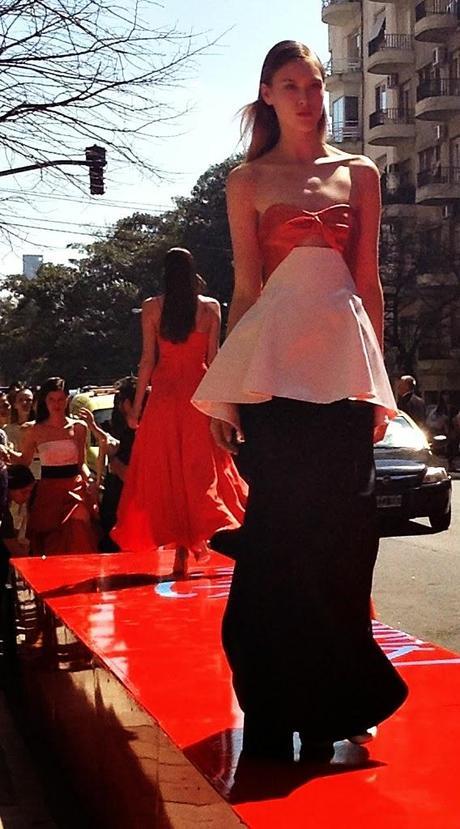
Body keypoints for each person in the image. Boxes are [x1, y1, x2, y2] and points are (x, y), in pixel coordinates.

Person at [192, 40, 408, 761]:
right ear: (269, 95)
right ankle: (274, 698)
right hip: (275, 376)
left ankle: (338, 699)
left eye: (314, 84)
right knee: (279, 538)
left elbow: (368, 281)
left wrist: (380, 379)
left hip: (344, 374)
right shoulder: (246, 181)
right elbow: (248, 290)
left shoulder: (362, 173)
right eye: (291, 86)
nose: (308, 97)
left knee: (346, 540)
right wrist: (227, 395)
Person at [111, 247, 247, 576]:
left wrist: (137, 408)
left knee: (166, 471)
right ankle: (193, 542)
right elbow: (214, 361)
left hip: (165, 399)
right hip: (199, 397)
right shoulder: (210, 307)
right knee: (199, 470)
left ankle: (180, 550)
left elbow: (147, 361)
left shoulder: (152, 308)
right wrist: (227, 408)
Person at [15, 377, 98, 555]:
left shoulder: (79, 427)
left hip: (73, 488)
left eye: (60, 399)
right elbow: (24, 460)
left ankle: (82, 577)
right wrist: (5, 453)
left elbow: (81, 463)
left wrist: (90, 480)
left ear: (67, 399)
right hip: (48, 490)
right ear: (45, 401)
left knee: (78, 529)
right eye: (52, 399)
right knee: (50, 540)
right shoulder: (34, 430)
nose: (56, 404)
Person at [79, 376, 140, 552]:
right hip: (116, 500)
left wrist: (113, 459)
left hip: (128, 503)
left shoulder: (138, 431)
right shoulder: (121, 428)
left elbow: (127, 473)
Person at [0, 465, 35, 587]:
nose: (27, 496)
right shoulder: (4, 515)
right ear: (9, 488)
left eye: (30, 492)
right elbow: (16, 551)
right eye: (23, 492)